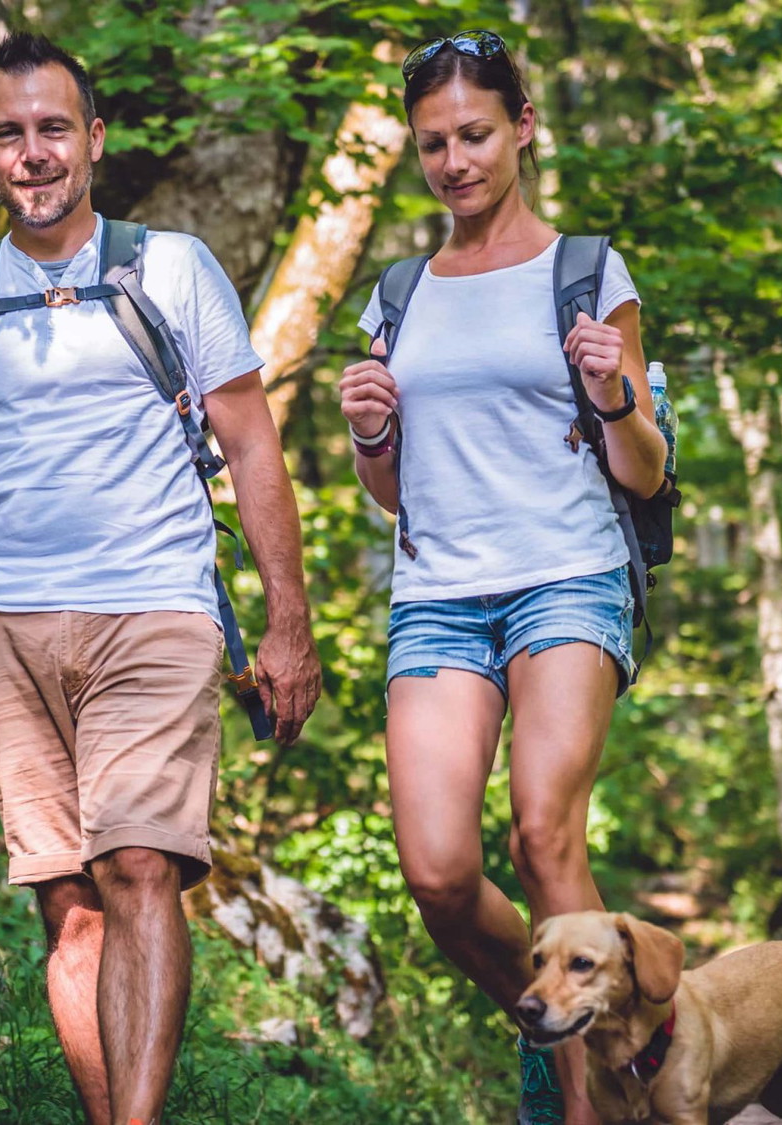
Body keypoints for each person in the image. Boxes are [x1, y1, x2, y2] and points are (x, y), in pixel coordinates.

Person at [0, 33, 321, 1125]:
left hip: (152, 605)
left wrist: (286, 624)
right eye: (8, 133)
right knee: (68, 908)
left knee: (138, 868)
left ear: (93, 140)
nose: (32, 154)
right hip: (4, 623)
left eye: (52, 129)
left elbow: (252, 444)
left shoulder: (170, 267)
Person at [337, 29, 668, 1125]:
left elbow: (645, 467)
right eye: (432, 145)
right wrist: (369, 435)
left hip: (564, 576)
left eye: (475, 135)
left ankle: (587, 1109)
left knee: (540, 832)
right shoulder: (397, 292)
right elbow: (392, 493)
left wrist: (612, 394)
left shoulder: (585, 271)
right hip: (436, 593)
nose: (455, 162)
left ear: (521, 129)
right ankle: (558, 1024)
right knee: (435, 871)